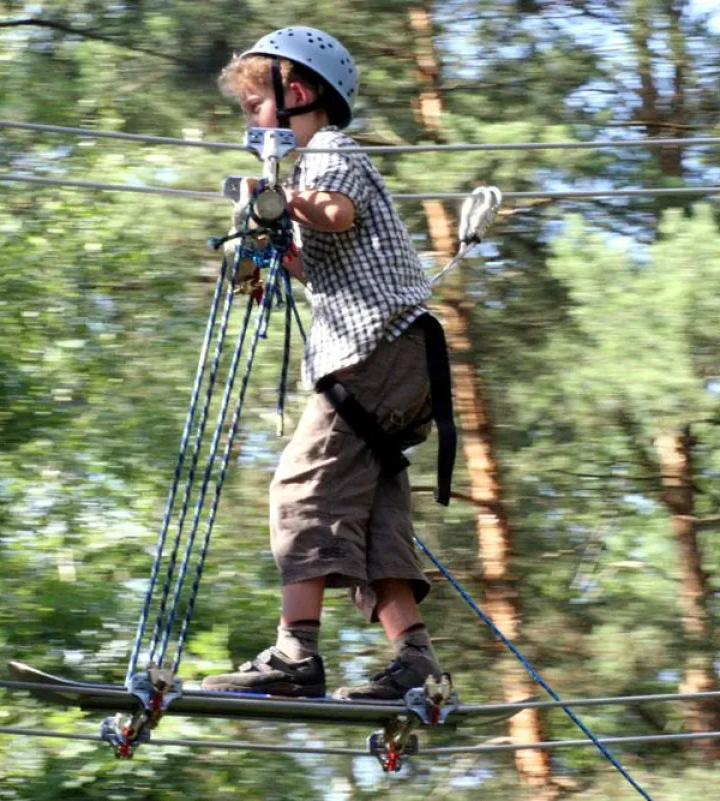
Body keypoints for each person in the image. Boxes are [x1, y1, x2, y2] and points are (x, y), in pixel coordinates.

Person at [201, 26, 449, 701]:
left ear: (298, 93)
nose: (251, 121)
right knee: (370, 514)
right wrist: (265, 244)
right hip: (400, 359)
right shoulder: (308, 167)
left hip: (377, 352)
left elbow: (335, 213)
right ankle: (415, 659)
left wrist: (278, 196)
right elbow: (317, 265)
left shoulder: (330, 153)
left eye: (256, 107)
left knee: (300, 489)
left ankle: (294, 654)